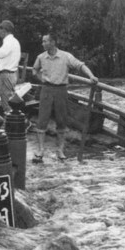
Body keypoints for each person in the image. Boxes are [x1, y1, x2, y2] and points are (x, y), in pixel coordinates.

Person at [32, 32, 98, 163]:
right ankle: (40, 150)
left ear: (53, 42)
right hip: (46, 90)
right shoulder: (41, 57)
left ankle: (60, 150)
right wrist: (43, 80)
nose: (43, 43)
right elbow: (34, 70)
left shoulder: (65, 56)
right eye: (42, 41)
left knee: (62, 120)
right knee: (42, 119)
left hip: (61, 90)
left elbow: (80, 65)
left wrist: (91, 76)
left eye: (45, 41)